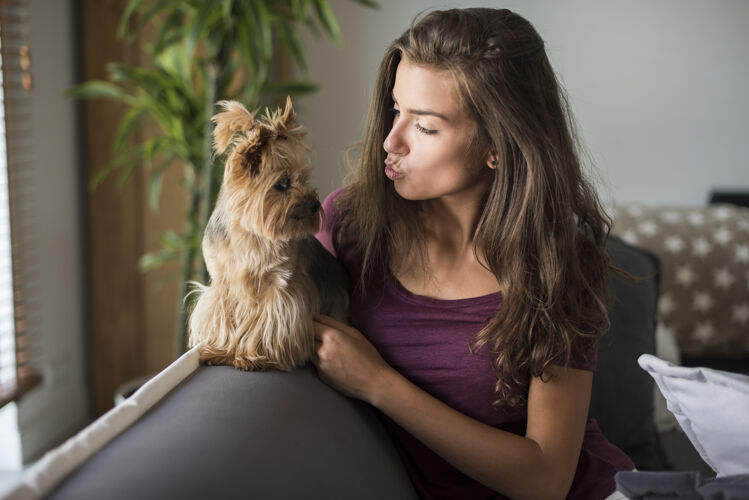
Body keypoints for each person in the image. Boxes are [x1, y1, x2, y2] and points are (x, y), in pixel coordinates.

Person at [311, 8, 634, 500]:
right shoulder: (350, 226)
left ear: (497, 146)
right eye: (396, 110)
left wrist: (379, 383)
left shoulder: (559, 264)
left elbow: (546, 479)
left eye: (426, 126)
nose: (390, 141)